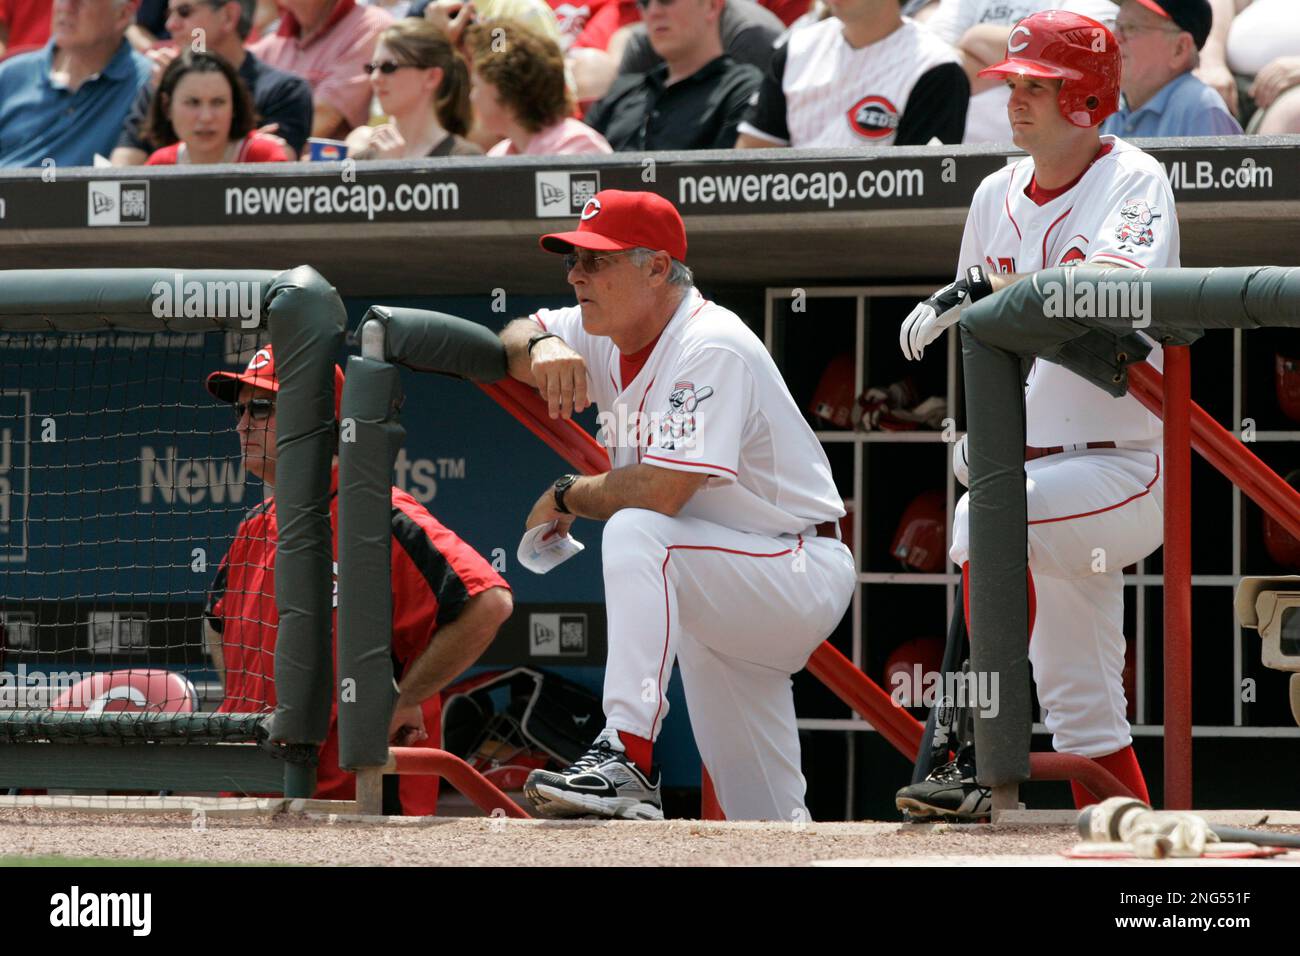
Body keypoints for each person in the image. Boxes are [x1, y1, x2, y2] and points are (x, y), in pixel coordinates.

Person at [893, 11, 1177, 820]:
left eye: (1039, 87)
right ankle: (1143, 850)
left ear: (1087, 98)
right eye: (1013, 85)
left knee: (984, 519)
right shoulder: (994, 193)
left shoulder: (1134, 179)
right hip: (1035, 467)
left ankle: (964, 742)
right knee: (1087, 709)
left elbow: (1099, 298)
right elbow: (991, 337)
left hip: (1123, 465)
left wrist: (988, 294)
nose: (1017, 101)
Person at [498, 189, 856, 820]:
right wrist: (540, 347)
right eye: (572, 261)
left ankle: (627, 753)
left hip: (792, 565)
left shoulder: (709, 342)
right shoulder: (601, 327)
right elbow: (510, 334)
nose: (577, 274)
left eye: (597, 261)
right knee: (763, 820)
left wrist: (564, 495)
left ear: (657, 267)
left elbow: (663, 490)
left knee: (640, 530)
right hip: (716, 577)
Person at [204, 345, 513, 815]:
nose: (243, 422)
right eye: (241, 408)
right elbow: (217, 626)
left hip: (356, 802)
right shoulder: (254, 525)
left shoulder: (376, 516)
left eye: (262, 407)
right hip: (251, 794)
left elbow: (488, 603)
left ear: (317, 418)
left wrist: (411, 696)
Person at [735, 0, 968, 148]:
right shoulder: (796, 49)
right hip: (787, 219)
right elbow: (752, 162)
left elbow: (920, 191)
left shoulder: (937, 68)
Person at [112, 0, 313, 164]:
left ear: (228, 16)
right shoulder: (159, 87)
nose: (170, 25)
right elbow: (124, 172)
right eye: (191, 102)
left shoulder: (285, 91)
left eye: (184, 12)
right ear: (167, 105)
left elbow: (278, 171)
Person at [925, 0, 1116, 143]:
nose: (1014, 98)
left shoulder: (1092, 4)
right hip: (957, 156)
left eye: (1033, 83)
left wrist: (977, 36)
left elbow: (1090, 59)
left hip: (1049, 154)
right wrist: (1033, 62)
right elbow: (930, 66)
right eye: (1011, 84)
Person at [584, 0, 761, 150]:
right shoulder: (620, 93)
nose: (653, 11)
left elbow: (727, 182)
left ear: (711, 6)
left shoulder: (743, 91)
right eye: (644, 2)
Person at [0, 0, 151, 168]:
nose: (65, 7)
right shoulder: (9, 75)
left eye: (80, 1)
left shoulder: (148, 83)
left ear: (122, 15)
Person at [250, 0, 394, 140]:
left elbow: (322, 117)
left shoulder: (371, 24)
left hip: (333, 163)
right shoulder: (274, 39)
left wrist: (257, 147)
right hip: (272, 160)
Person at [465, 21, 611, 155]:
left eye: (476, 86)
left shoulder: (577, 147)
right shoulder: (498, 155)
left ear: (503, 91)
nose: (472, 96)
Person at [1100, 0, 1242, 137]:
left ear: (1179, 49)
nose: (1115, 37)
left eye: (1131, 28)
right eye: (1116, 25)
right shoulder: (1113, 104)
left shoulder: (1199, 108)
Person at [345, 17, 481, 158]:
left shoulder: (464, 160)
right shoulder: (363, 160)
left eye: (389, 67)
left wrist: (389, 171)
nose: (374, 78)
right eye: (371, 68)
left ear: (431, 77)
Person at [141, 49, 287, 162]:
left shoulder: (266, 158)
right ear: (167, 107)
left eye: (218, 102)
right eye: (193, 102)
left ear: (234, 106)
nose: (206, 117)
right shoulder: (160, 164)